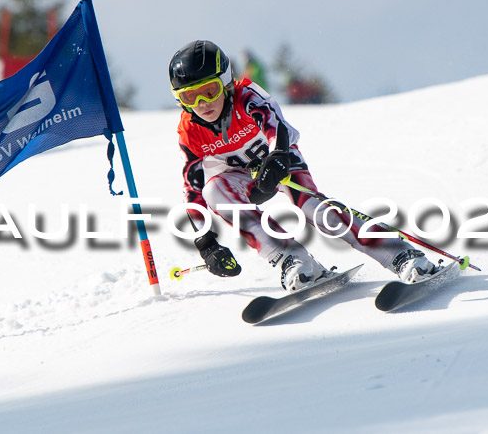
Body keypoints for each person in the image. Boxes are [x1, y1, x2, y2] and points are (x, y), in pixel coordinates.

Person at [168, 40, 439, 292]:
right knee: (214, 190)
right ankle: (294, 260)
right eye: (191, 97)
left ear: (226, 82)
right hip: (243, 178)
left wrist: (277, 157)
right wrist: (206, 244)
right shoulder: (189, 131)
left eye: (209, 91)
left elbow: (275, 125)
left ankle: (400, 254)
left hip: (281, 160)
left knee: (312, 208)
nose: (202, 104)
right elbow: (193, 188)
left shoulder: (246, 96)